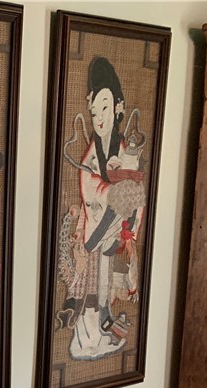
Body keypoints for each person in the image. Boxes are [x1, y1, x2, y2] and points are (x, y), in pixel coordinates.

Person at [60, 56, 145, 360]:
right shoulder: (90, 154)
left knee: (109, 281)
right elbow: (89, 187)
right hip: (97, 224)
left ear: (118, 107)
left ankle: (105, 328)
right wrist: (112, 192)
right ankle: (87, 337)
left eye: (105, 107)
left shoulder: (125, 150)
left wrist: (129, 218)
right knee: (93, 285)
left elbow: (136, 193)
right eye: (94, 109)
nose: (98, 117)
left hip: (115, 229)